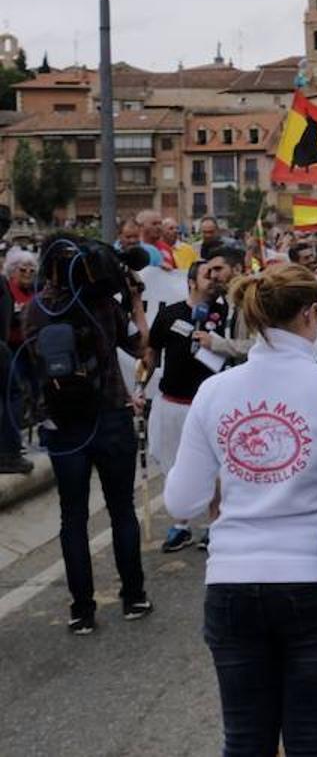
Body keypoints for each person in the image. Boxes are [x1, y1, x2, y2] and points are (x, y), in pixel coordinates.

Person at [164, 263, 317, 754]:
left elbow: (180, 500)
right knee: (313, 740)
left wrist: (235, 483)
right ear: (311, 314)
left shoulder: (216, 391)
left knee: (245, 741)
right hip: (316, 579)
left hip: (232, 580)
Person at [24, 237, 152, 634]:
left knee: (72, 518)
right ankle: (133, 597)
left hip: (63, 428)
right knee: (121, 510)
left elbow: (30, 363)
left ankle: (82, 610)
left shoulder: (35, 311)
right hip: (111, 418)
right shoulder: (104, 305)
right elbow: (142, 346)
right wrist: (133, 303)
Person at [141, 260, 222, 552]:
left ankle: (215, 524)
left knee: (215, 468)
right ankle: (181, 524)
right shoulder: (168, 314)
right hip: (171, 404)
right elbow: (152, 352)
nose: (214, 279)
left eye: (216, 274)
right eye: (207, 274)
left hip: (209, 406)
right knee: (175, 466)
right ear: (191, 281)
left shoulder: (223, 314)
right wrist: (140, 387)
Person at [0, 247, 37, 473]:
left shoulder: (34, 291)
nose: (27, 273)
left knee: (26, 391)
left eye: (31, 269)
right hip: (10, 349)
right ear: (13, 270)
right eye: (23, 269)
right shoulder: (7, 288)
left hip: (29, 349)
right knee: (12, 392)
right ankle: (9, 450)